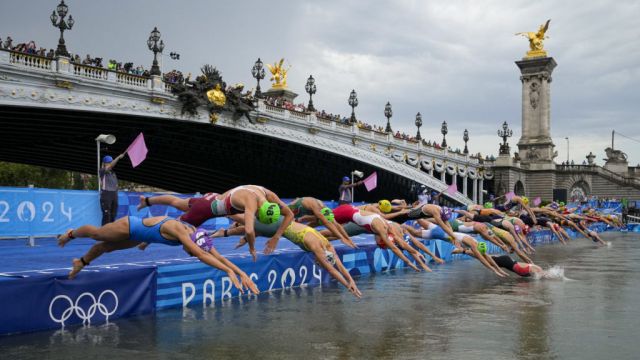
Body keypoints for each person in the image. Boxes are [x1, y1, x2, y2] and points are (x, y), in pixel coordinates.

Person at [55, 215, 258, 295]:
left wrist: (241, 273)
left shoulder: (197, 235)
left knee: (105, 248)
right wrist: (227, 273)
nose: (189, 254)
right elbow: (201, 255)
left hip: (139, 235)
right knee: (97, 234)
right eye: (190, 252)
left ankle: (80, 262)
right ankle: (70, 234)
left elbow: (217, 256)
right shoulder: (182, 233)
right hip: (130, 225)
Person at [215, 216, 362, 298]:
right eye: (319, 263)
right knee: (251, 224)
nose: (318, 263)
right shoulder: (317, 248)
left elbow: (339, 266)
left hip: (283, 224)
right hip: (280, 227)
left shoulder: (328, 247)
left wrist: (351, 282)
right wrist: (347, 286)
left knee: (256, 230)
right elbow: (332, 270)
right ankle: (220, 208)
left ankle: (226, 232)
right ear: (321, 259)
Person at [99, 153, 125, 225]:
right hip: (106, 194)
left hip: (114, 194)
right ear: (104, 163)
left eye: (111, 162)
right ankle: (104, 233)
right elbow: (111, 166)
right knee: (107, 215)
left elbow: (115, 184)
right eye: (109, 162)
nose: (110, 163)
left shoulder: (113, 173)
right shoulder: (102, 171)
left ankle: (111, 233)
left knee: (113, 215)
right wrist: (118, 157)